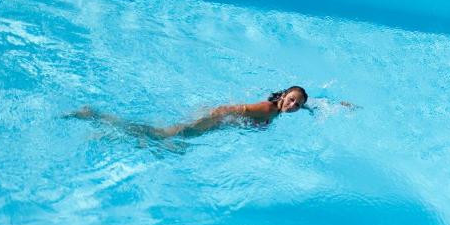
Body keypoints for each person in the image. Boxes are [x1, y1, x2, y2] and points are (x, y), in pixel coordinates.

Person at [66, 86, 309, 141]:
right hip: (211, 122)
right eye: (291, 100)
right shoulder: (268, 109)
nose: (293, 106)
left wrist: (337, 106)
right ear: (283, 96)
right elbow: (228, 110)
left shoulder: (281, 108)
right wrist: (202, 122)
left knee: (170, 146)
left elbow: (309, 103)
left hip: (214, 123)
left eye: (297, 105)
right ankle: (95, 117)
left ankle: (107, 133)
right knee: (161, 136)